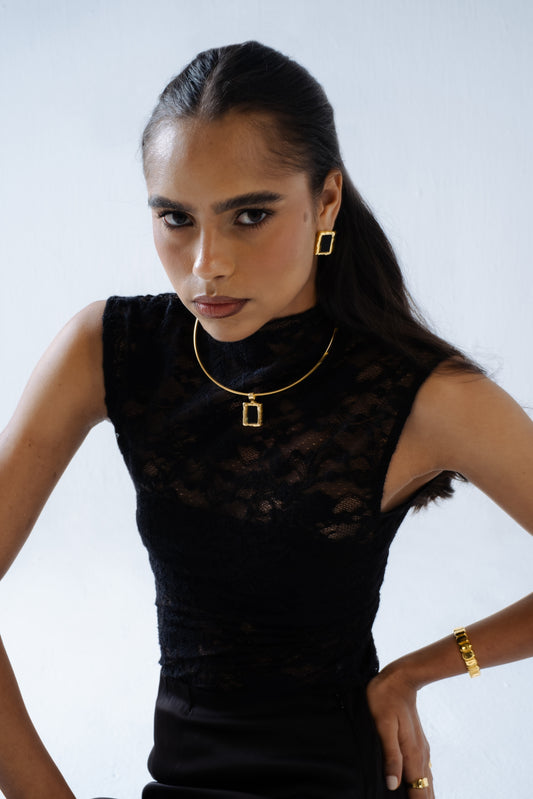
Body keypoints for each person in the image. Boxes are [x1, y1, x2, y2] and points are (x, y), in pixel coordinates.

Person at [0, 40, 532, 799]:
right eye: (176, 218)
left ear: (327, 201)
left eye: (250, 215)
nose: (206, 263)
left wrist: (421, 670)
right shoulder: (109, 348)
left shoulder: (423, 393)